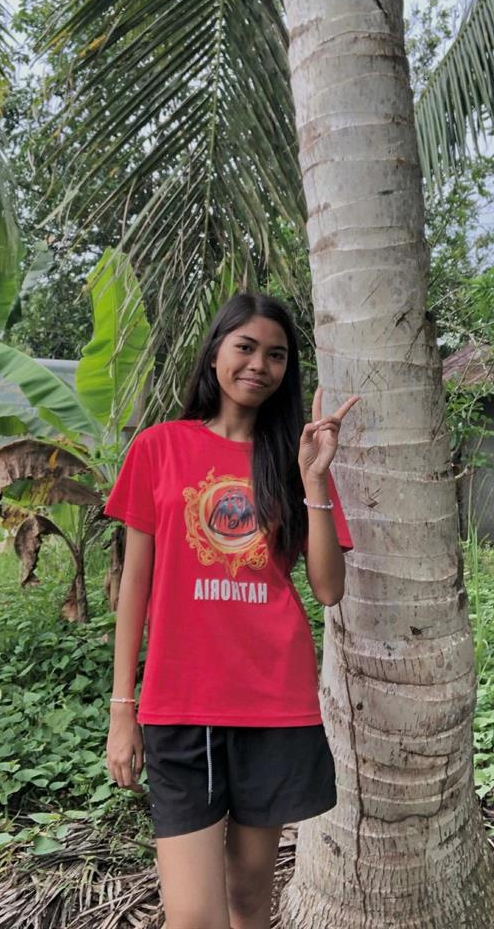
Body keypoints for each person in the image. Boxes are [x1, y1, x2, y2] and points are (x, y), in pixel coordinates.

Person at [104, 293, 358, 929]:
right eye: (245, 347)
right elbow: (135, 585)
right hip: (179, 706)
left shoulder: (294, 459)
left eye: (276, 355)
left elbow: (328, 589)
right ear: (216, 351)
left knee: (249, 900)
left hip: (271, 701)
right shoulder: (159, 447)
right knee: (193, 916)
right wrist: (122, 708)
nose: (259, 365)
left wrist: (315, 481)